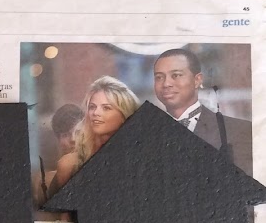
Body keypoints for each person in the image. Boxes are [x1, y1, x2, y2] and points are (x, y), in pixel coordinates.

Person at [153, 47, 252, 176]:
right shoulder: (148, 134)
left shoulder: (237, 130)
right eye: (159, 77)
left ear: (197, 80)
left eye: (176, 75)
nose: (166, 83)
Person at [53, 76, 140, 189]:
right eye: (92, 107)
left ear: (124, 114)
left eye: (106, 108)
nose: (96, 113)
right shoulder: (69, 165)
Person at [40, 103, 84, 200]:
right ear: (58, 140)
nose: (73, 139)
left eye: (78, 132)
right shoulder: (49, 179)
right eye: (65, 135)